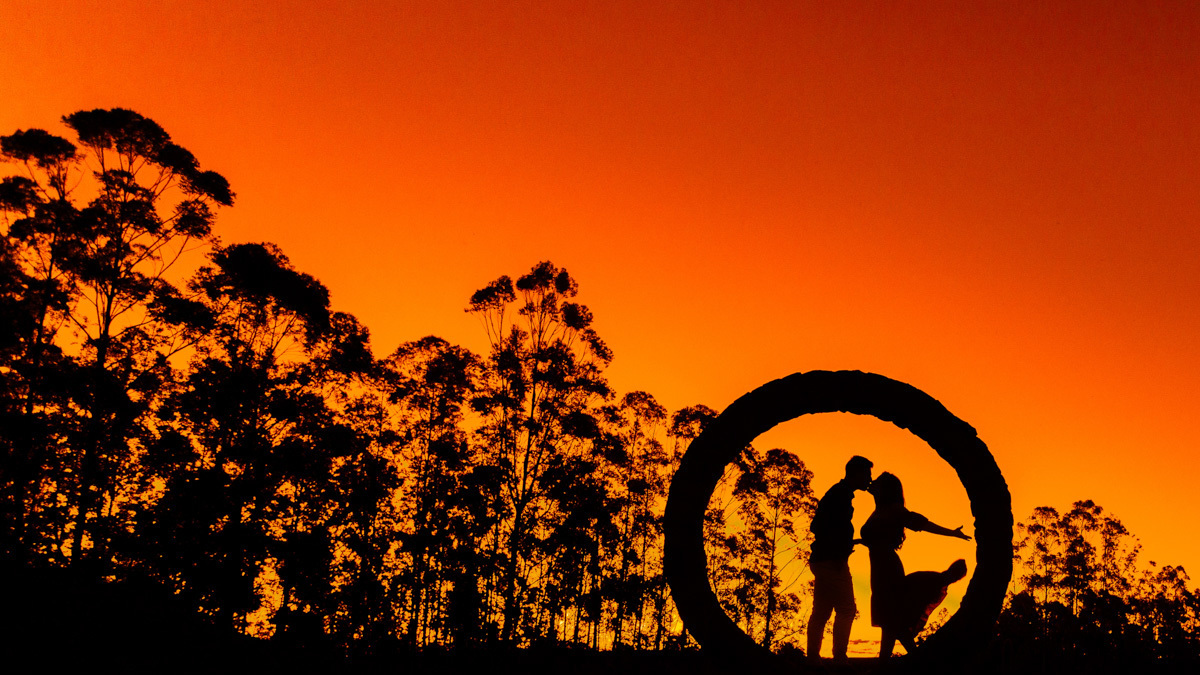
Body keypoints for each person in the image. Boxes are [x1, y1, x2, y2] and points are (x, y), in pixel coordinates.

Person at [860, 472, 971, 658]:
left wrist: (952, 533)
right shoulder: (878, 510)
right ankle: (907, 662)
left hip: (888, 568)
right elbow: (878, 537)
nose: (873, 483)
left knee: (890, 619)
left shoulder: (895, 509)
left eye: (877, 482)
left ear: (886, 489)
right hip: (878, 569)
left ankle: (891, 663)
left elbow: (923, 524)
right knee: (890, 620)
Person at [806, 455, 873, 663]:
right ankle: (840, 660)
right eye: (867, 474)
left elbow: (823, 527)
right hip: (831, 561)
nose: (869, 479)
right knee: (846, 609)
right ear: (857, 474)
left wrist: (847, 542)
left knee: (821, 611)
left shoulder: (839, 494)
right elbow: (821, 527)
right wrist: (838, 549)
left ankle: (813, 660)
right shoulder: (841, 496)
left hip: (823, 558)